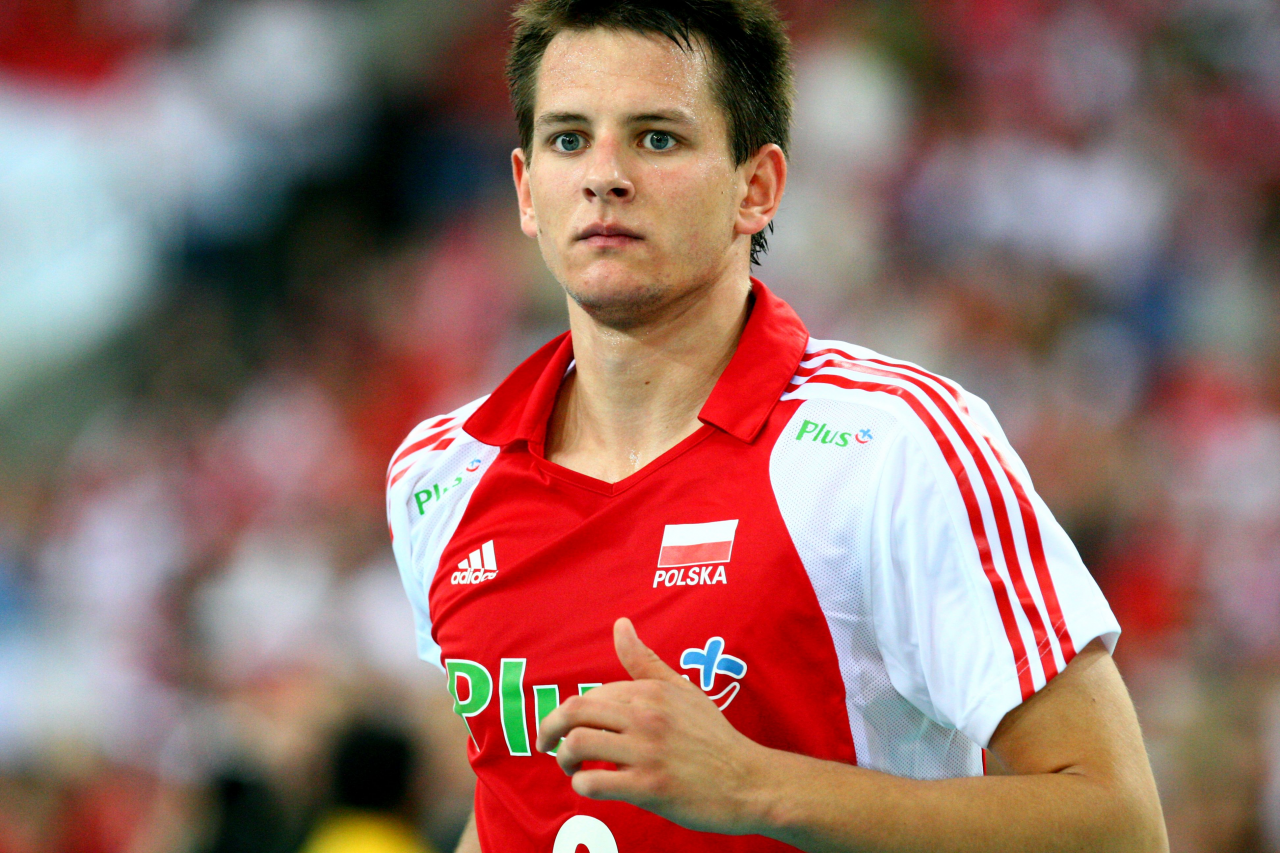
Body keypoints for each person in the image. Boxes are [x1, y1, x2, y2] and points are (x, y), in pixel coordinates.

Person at [385, 1, 1169, 851]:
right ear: (526, 189)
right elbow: (512, 800)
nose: (603, 175)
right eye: (569, 139)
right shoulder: (440, 474)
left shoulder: (896, 444)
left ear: (755, 188)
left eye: (657, 138)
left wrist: (755, 788)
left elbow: (1118, 823)